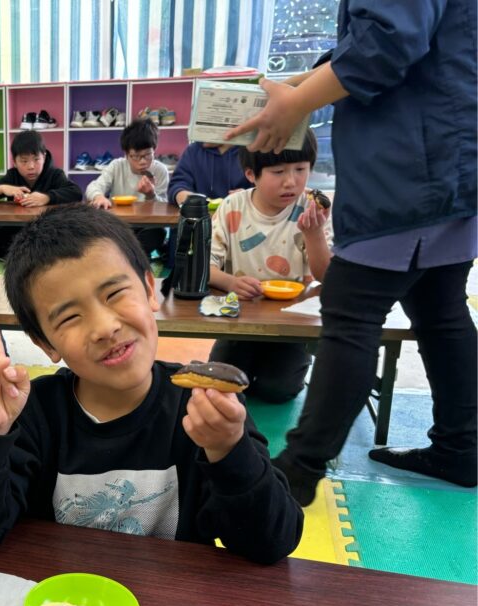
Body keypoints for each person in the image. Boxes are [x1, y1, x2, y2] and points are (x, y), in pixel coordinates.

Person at [0, 205, 303, 564]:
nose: (105, 327)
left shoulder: (204, 410)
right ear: (45, 344)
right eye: (70, 317)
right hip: (64, 597)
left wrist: (228, 450)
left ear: (149, 288)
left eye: (114, 294)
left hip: (172, 600)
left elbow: (273, 542)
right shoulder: (33, 416)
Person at [227, 0, 477, 501]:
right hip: (451, 156)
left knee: (351, 311)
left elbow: (387, 39)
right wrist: (294, 87)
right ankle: (461, 447)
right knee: (439, 307)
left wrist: (298, 101)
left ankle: (298, 470)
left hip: (410, 166)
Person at [208, 130, 333, 403]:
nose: (291, 181)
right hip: (239, 320)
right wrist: (230, 282)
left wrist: (314, 234)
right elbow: (206, 266)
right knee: (221, 383)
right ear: (251, 174)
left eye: (300, 169)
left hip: (292, 322)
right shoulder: (232, 207)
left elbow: (328, 276)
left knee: (277, 390)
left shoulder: (312, 207)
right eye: (278, 172)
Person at [0, 130, 82, 258]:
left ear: (44, 157)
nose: (31, 166)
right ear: (15, 162)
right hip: (18, 231)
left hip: (47, 230)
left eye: (36, 159)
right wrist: (2, 188)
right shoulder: (12, 176)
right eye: (24, 161)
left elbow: (76, 192)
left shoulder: (55, 174)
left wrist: (47, 197)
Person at [85, 118, 171, 258]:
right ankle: (132, 260)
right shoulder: (117, 166)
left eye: (147, 155)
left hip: (147, 226)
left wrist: (151, 195)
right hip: (120, 224)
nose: (142, 161)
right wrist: (99, 196)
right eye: (135, 156)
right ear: (126, 154)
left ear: (154, 150)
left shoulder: (160, 170)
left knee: (157, 233)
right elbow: (93, 186)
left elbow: (164, 209)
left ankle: (127, 259)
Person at [167, 142, 253, 206]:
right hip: (199, 218)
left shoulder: (251, 150)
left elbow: (259, 186)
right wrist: (182, 194)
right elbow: (177, 184)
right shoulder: (193, 151)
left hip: (241, 217)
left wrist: (250, 195)